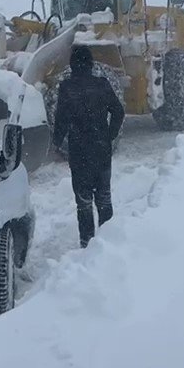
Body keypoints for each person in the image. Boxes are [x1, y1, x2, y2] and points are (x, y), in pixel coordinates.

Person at [53, 46, 125, 247]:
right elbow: (118, 111)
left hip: (79, 152)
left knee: (83, 203)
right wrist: (109, 135)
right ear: (91, 64)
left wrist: (56, 143)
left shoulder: (67, 88)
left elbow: (61, 120)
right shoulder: (102, 84)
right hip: (102, 149)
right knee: (104, 199)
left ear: (72, 65)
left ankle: (87, 244)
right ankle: (108, 244)